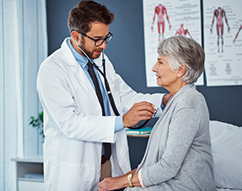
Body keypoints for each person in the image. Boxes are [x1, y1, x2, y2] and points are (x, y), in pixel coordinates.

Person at [37, 1, 169, 190]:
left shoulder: (101, 60)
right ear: (76, 36)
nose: (104, 45)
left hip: (108, 164)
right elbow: (70, 123)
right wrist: (122, 121)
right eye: (98, 39)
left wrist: (164, 101)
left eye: (107, 37)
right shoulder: (52, 69)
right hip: (75, 168)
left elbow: (125, 98)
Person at [98, 36, 216, 191]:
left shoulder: (188, 103)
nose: (154, 68)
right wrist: (124, 179)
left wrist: (123, 181)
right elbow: (155, 163)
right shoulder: (177, 100)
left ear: (180, 70)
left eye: (160, 62)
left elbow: (167, 167)